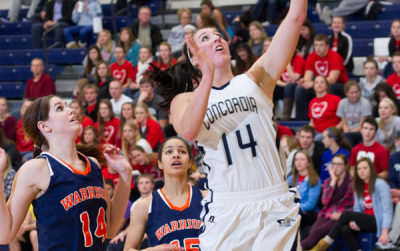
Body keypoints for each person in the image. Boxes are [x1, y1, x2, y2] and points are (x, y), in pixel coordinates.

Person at [148, 0, 307, 249]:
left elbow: (296, 17)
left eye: (218, 35)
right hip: (226, 203)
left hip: (273, 198)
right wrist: (208, 76)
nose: (215, 39)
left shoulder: (257, 78)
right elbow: (188, 130)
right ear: (194, 59)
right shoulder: (185, 99)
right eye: (205, 38)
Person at [0, 95, 132, 249]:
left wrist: (125, 175)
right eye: (60, 108)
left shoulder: (93, 164)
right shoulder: (36, 169)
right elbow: (4, 234)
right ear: (44, 126)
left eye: (68, 106)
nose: (72, 110)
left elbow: (110, 229)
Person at [124, 137, 203, 250]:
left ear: (190, 162)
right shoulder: (144, 206)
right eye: (169, 152)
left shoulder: (207, 198)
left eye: (182, 151)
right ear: (160, 163)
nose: (176, 155)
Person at [312, 157, 393, 251]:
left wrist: (385, 231)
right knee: (345, 229)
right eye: (359, 169)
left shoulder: (380, 184)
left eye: (365, 168)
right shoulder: (359, 185)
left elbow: (387, 210)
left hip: (378, 221)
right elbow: (357, 209)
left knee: (346, 214)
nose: (361, 171)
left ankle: (325, 242)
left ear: (371, 169)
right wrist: (353, 221)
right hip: (364, 219)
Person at [301, 154, 354, 249]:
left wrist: (344, 214)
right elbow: (325, 201)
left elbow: (354, 203)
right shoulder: (328, 181)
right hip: (326, 213)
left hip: (341, 215)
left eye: (339, 164)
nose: (335, 167)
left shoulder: (352, 181)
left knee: (316, 233)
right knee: (312, 233)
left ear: (346, 166)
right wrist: (333, 181)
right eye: (333, 164)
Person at [295, 34, 348, 120]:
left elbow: (332, 79)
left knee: (330, 87)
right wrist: (303, 82)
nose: (318, 48)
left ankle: (330, 119)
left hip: (339, 85)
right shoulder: (311, 57)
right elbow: (308, 77)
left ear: (327, 46)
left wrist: (313, 83)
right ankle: (302, 121)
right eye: (316, 45)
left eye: (321, 45)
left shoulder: (335, 56)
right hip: (320, 84)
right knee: (300, 89)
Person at [287, 150, 321, 238]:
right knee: (278, 223)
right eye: (296, 160)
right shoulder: (290, 178)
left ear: (308, 163)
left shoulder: (314, 180)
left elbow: (311, 204)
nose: (299, 162)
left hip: (307, 213)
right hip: (292, 211)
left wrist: (294, 210)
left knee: (286, 223)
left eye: (302, 159)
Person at [337, 80, 372, 147]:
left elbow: (362, 124)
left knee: (346, 139)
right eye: (351, 93)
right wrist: (347, 132)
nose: (355, 95)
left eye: (356, 92)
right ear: (346, 93)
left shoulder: (365, 103)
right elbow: (344, 123)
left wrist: (349, 133)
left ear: (360, 92)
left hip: (360, 132)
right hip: (347, 131)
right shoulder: (342, 103)